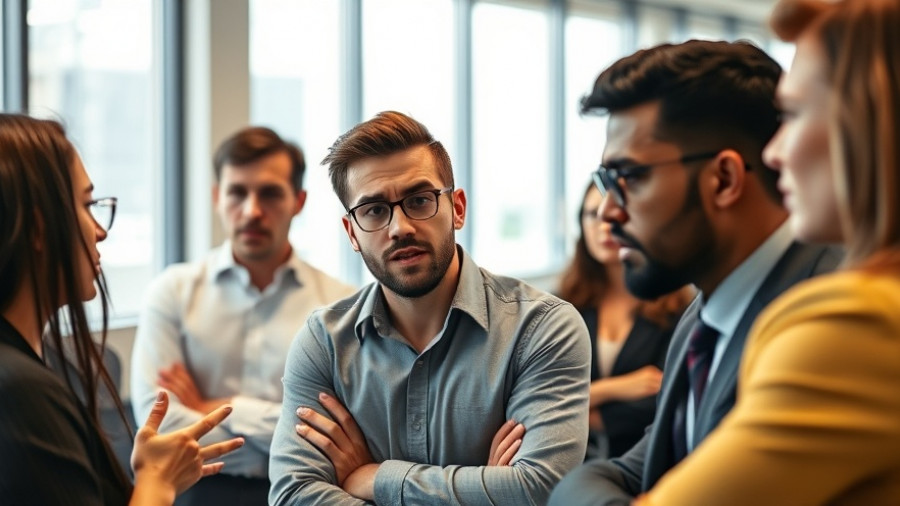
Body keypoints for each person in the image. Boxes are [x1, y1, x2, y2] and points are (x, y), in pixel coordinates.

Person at [548, 39, 842, 506]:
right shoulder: (702, 318)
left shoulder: (829, 318)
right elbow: (620, 472)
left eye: (630, 177)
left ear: (724, 179)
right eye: (607, 183)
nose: (607, 213)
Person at [633, 0, 900, 503]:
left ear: (870, 125)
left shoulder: (858, 323)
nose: (774, 154)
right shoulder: (699, 319)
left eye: (794, 115)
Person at [268, 111, 590, 505]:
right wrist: (484, 488)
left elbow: (540, 490)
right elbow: (292, 495)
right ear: (352, 233)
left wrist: (375, 478)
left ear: (457, 207)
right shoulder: (324, 342)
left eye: (419, 201)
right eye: (373, 210)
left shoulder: (540, 328)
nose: (400, 227)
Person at [0, 113, 244, 505]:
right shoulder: (20, 392)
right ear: (38, 228)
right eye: (86, 204)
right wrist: (157, 484)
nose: (101, 230)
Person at [131, 126, 355, 505]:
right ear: (218, 197)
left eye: (269, 194)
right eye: (237, 193)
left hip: (302, 492)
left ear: (298, 201)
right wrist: (283, 433)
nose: (252, 211)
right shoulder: (171, 292)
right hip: (192, 491)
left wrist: (213, 408)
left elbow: (342, 435)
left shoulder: (340, 306)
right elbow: (161, 430)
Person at [558, 182, 694, 459]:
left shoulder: (677, 305)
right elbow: (538, 397)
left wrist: (568, 412)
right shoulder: (560, 304)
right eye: (592, 214)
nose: (604, 225)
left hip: (646, 463)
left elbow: (661, 404)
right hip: (565, 466)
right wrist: (612, 389)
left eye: (615, 213)